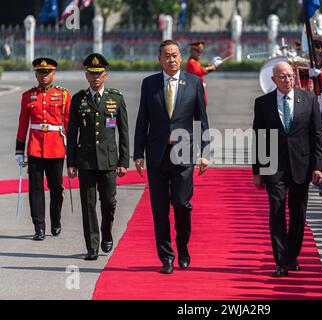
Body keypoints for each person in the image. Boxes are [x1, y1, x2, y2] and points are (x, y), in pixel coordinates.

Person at [134, 40, 210, 274]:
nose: (172, 59)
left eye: (175, 55)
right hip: (156, 155)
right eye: (167, 56)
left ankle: (183, 247)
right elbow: (142, 120)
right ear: (159, 59)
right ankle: (166, 257)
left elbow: (203, 120)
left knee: (181, 205)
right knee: (159, 209)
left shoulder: (194, 83)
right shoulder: (149, 84)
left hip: (183, 155)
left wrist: (205, 152)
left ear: (180, 57)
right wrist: (138, 153)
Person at [252, 61, 322, 277]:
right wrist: (257, 171)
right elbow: (259, 138)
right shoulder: (263, 103)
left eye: (290, 76)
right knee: (276, 212)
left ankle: (292, 255)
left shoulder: (309, 100)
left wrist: (319, 166)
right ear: (273, 79)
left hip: (301, 166)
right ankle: (281, 261)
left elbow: (317, 135)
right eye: (282, 77)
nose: (287, 80)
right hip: (273, 166)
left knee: (298, 213)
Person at [66, 53, 129, 261]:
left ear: (106, 75)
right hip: (85, 161)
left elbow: (123, 132)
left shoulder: (116, 98)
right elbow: (72, 132)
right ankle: (92, 245)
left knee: (109, 202)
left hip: (109, 161)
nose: (95, 78)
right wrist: (71, 163)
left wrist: (123, 161)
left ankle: (107, 233)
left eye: (99, 74)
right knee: (88, 204)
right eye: (92, 74)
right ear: (86, 75)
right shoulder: (78, 100)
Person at [15, 57, 71, 241]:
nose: (43, 75)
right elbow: (23, 123)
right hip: (35, 148)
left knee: (56, 188)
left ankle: (55, 221)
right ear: (36, 74)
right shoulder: (28, 96)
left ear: (53, 73)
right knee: (35, 189)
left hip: (56, 148)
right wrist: (19, 150)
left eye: (47, 72)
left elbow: (68, 123)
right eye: (40, 72)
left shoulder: (63, 95)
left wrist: (72, 149)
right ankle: (39, 227)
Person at [185, 41, 222, 106]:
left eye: (200, 52)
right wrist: (213, 66)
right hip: (195, 90)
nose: (200, 54)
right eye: (197, 51)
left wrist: (211, 64)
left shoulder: (195, 61)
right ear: (191, 51)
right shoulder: (191, 62)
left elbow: (200, 68)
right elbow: (200, 71)